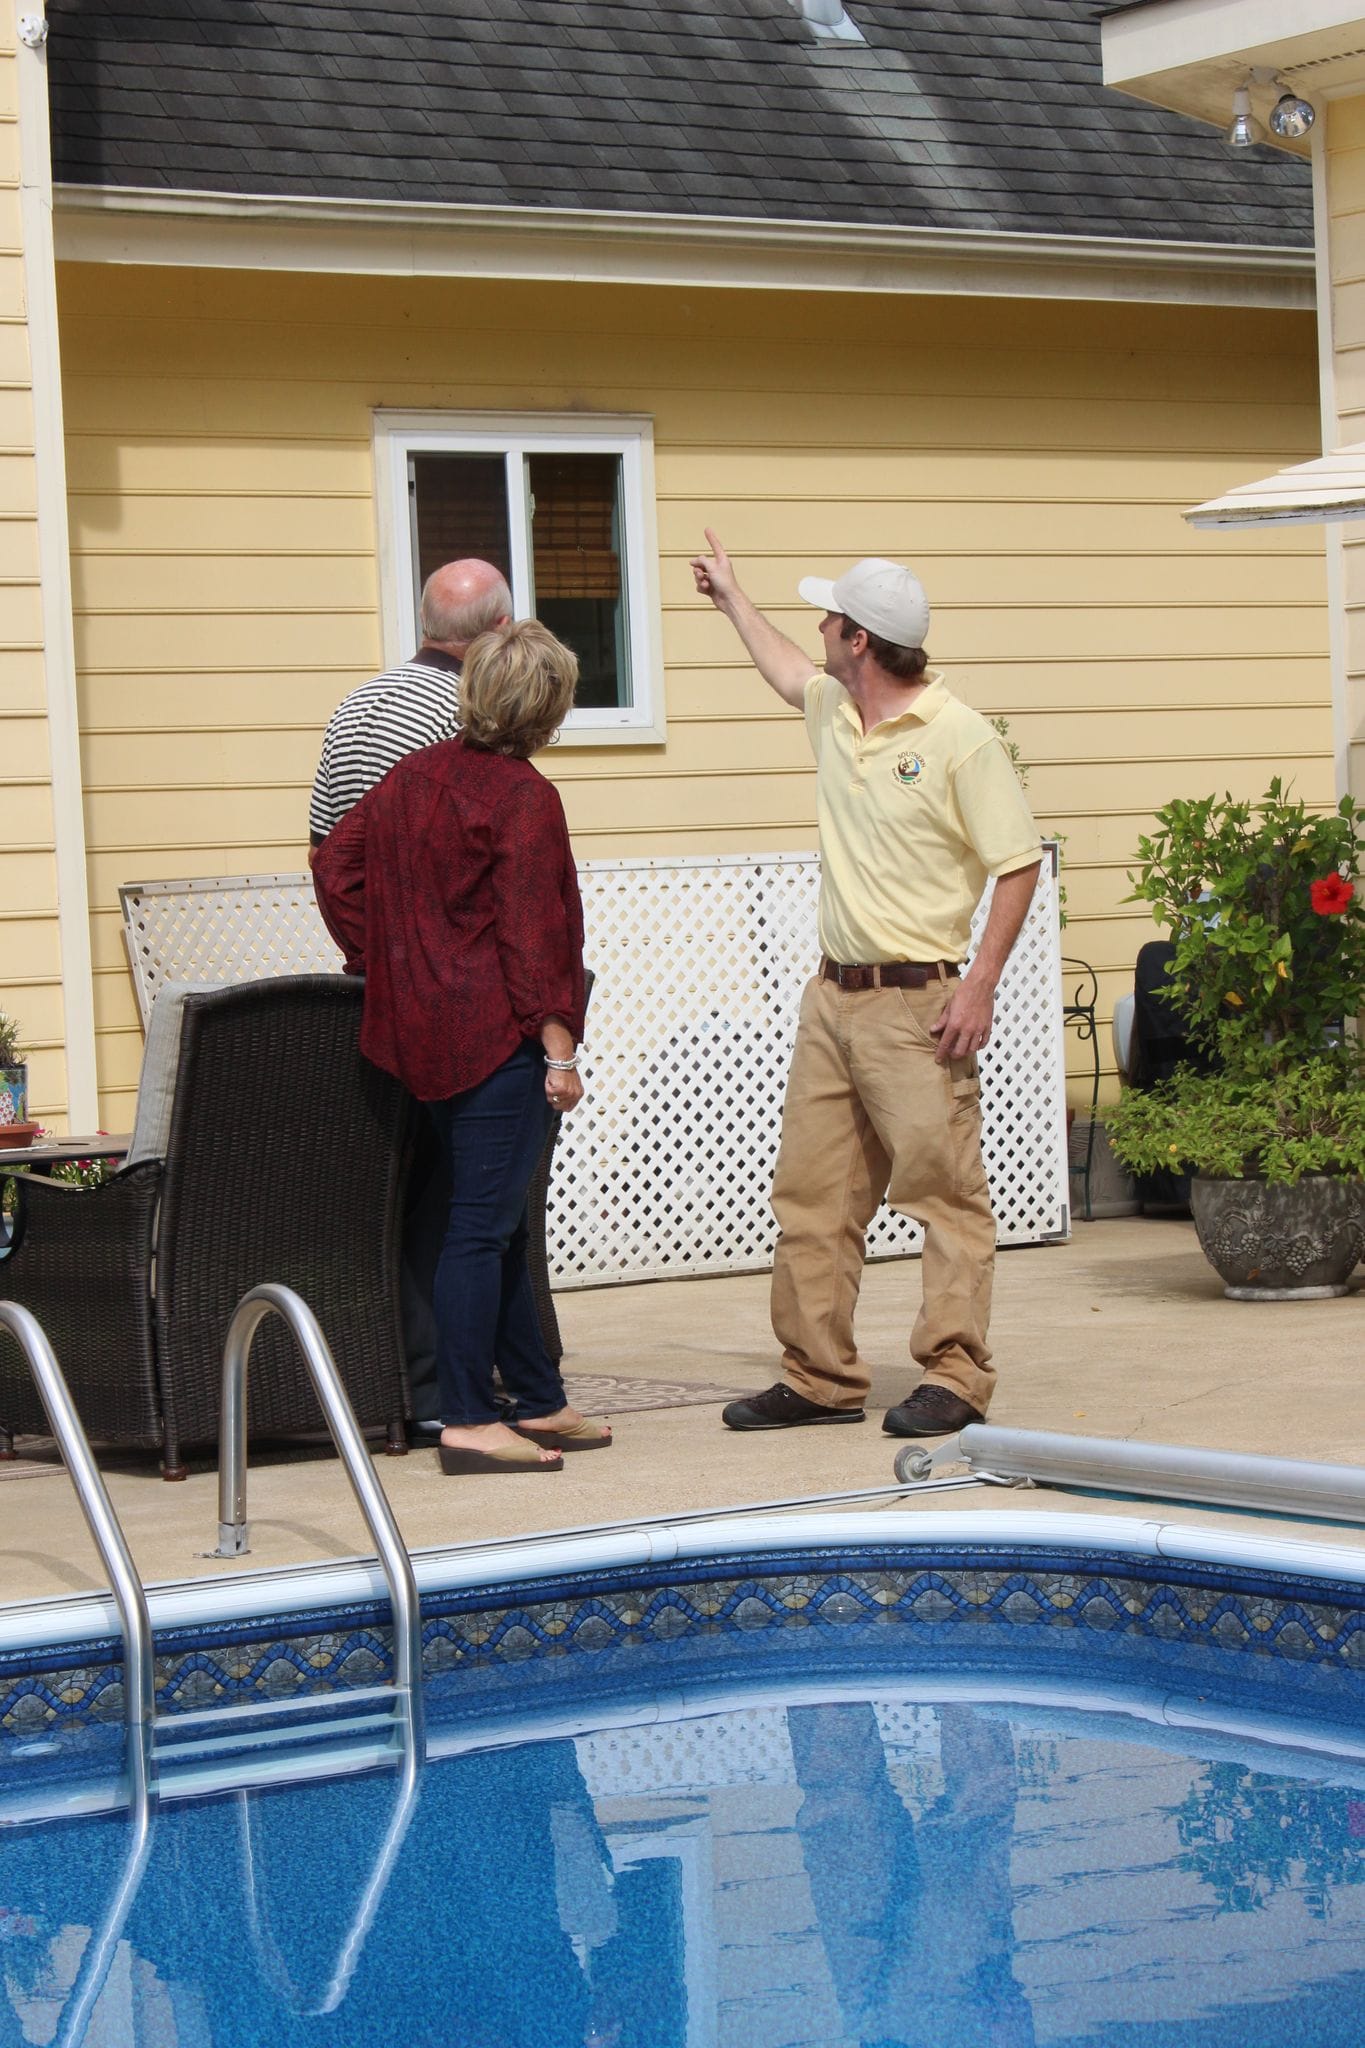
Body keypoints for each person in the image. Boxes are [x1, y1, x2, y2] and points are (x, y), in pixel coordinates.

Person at [690, 533, 1041, 1438]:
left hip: (920, 1006)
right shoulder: (833, 711)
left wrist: (980, 985)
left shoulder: (958, 737)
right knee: (812, 1198)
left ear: (859, 639)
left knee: (945, 1197)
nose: (816, 626)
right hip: (831, 1000)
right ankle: (819, 1377)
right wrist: (731, 598)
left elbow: (1017, 863)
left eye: (828, 617)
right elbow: (782, 669)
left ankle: (955, 1377)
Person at [312, 619, 611, 1473]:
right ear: (549, 708)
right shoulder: (523, 796)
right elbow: (532, 932)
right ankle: (469, 1419)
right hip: (494, 1042)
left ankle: (538, 1399)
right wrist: (559, 1050)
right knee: (478, 1229)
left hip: (421, 1037)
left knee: (496, 1222)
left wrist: (387, 960)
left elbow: (335, 868)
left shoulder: (411, 776)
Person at [308, 556, 512, 1431]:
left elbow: (327, 853)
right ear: (497, 631)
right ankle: (445, 1388)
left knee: (402, 1190)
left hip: (377, 988)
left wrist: (373, 954)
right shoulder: (468, 715)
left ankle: (409, 1376)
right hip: (453, 1001)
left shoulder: (357, 704)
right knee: (461, 1195)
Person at [308, 556, 513, 857]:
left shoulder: (354, 703)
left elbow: (319, 851)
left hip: (353, 887)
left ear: (422, 616)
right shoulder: (468, 712)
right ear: (502, 627)